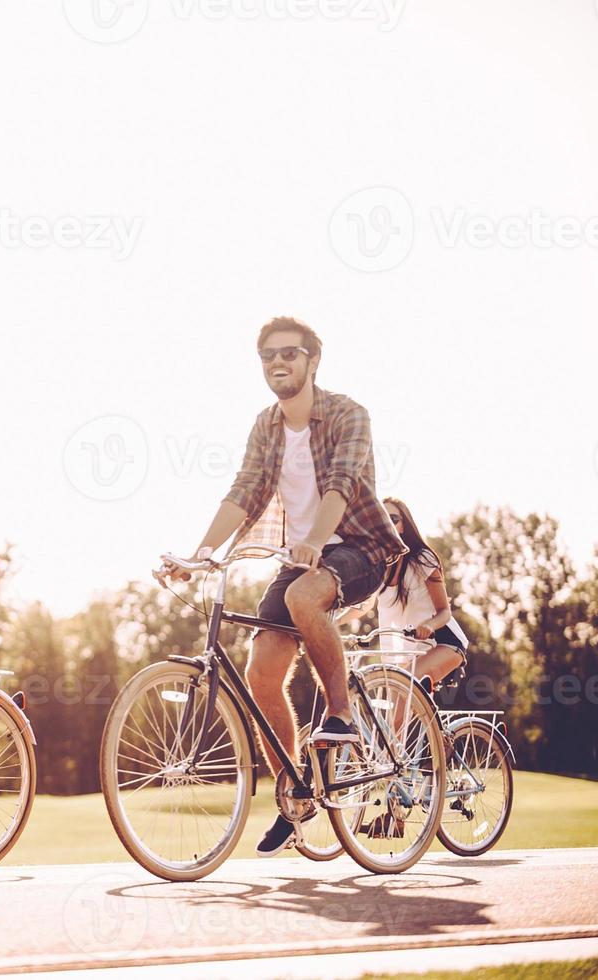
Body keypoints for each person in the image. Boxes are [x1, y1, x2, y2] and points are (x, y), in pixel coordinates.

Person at [156, 317, 406, 857]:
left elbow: (341, 483)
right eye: (267, 355)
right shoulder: (266, 426)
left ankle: (340, 713)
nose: (277, 362)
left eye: (289, 353)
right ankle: (295, 795)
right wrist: (201, 554)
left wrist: (316, 538)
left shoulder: (348, 414)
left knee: (301, 596)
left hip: (359, 547)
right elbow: (244, 491)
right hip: (301, 559)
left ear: (313, 361)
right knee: (260, 672)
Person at [349, 497, 470, 686]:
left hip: (443, 643)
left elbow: (444, 612)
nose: (387, 524)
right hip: (407, 651)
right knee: (395, 707)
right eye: (382, 519)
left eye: (394, 519)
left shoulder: (422, 560)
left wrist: (429, 625)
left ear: (403, 527)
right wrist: (331, 621)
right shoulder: (379, 566)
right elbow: (364, 606)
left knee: (403, 685)